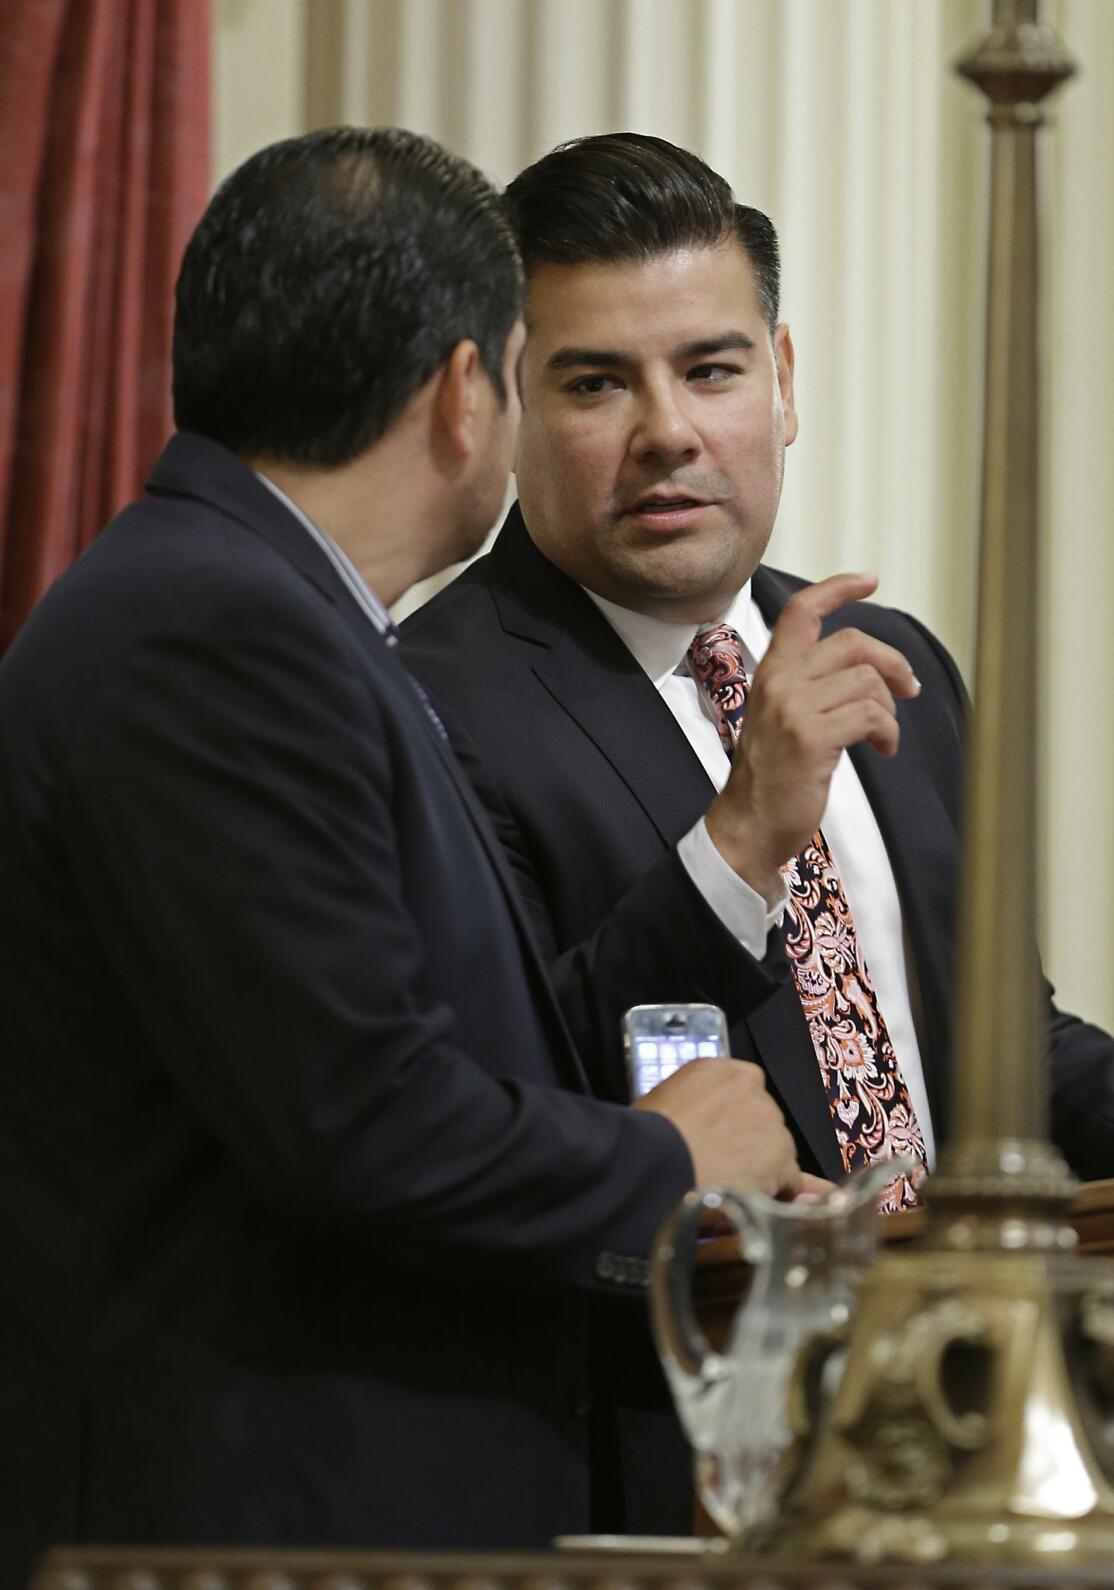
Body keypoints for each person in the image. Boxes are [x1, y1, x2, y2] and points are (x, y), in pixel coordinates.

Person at [0, 128, 806, 1585]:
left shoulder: (265, 614)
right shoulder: (216, 628)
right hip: (267, 1518)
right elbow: (357, 1112)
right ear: (461, 393)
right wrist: (663, 1161)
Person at [396, 131, 1114, 1197]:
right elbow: (504, 1095)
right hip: (695, 1345)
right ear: (504, 408)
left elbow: (1007, 1047)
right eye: (595, 385)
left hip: (939, 1328)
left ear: (781, 383)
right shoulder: (427, 701)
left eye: (711, 370)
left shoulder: (893, 662)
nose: (668, 431)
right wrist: (738, 845)